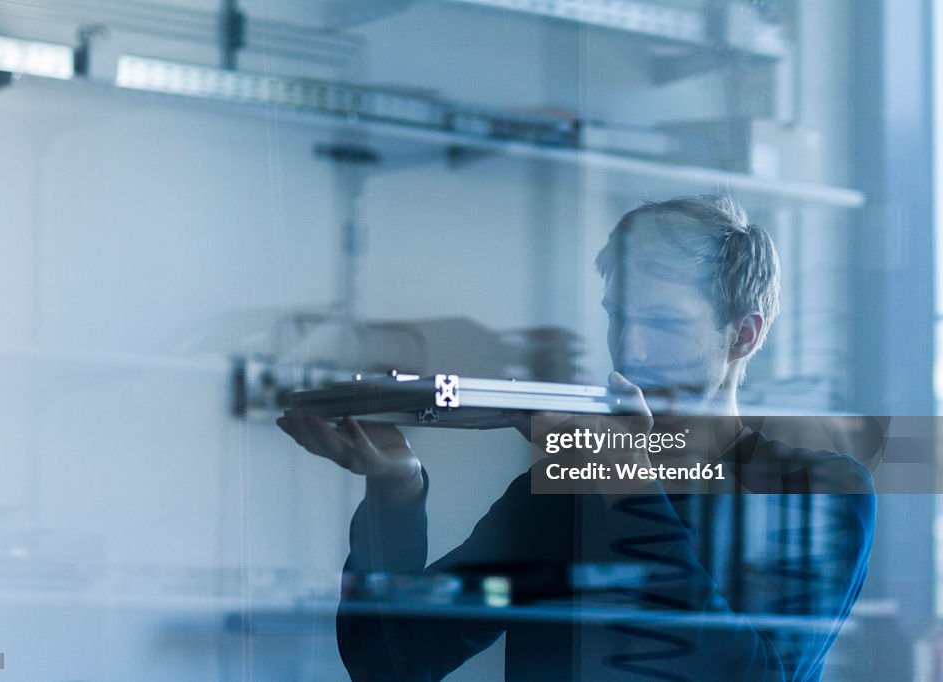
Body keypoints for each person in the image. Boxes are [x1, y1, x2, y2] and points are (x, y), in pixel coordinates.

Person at [278, 195, 876, 681]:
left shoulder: (817, 490)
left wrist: (628, 484)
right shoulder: (564, 490)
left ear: (743, 337)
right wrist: (396, 493)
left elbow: (751, 676)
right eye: (619, 315)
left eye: (664, 323)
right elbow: (391, 662)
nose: (630, 349)